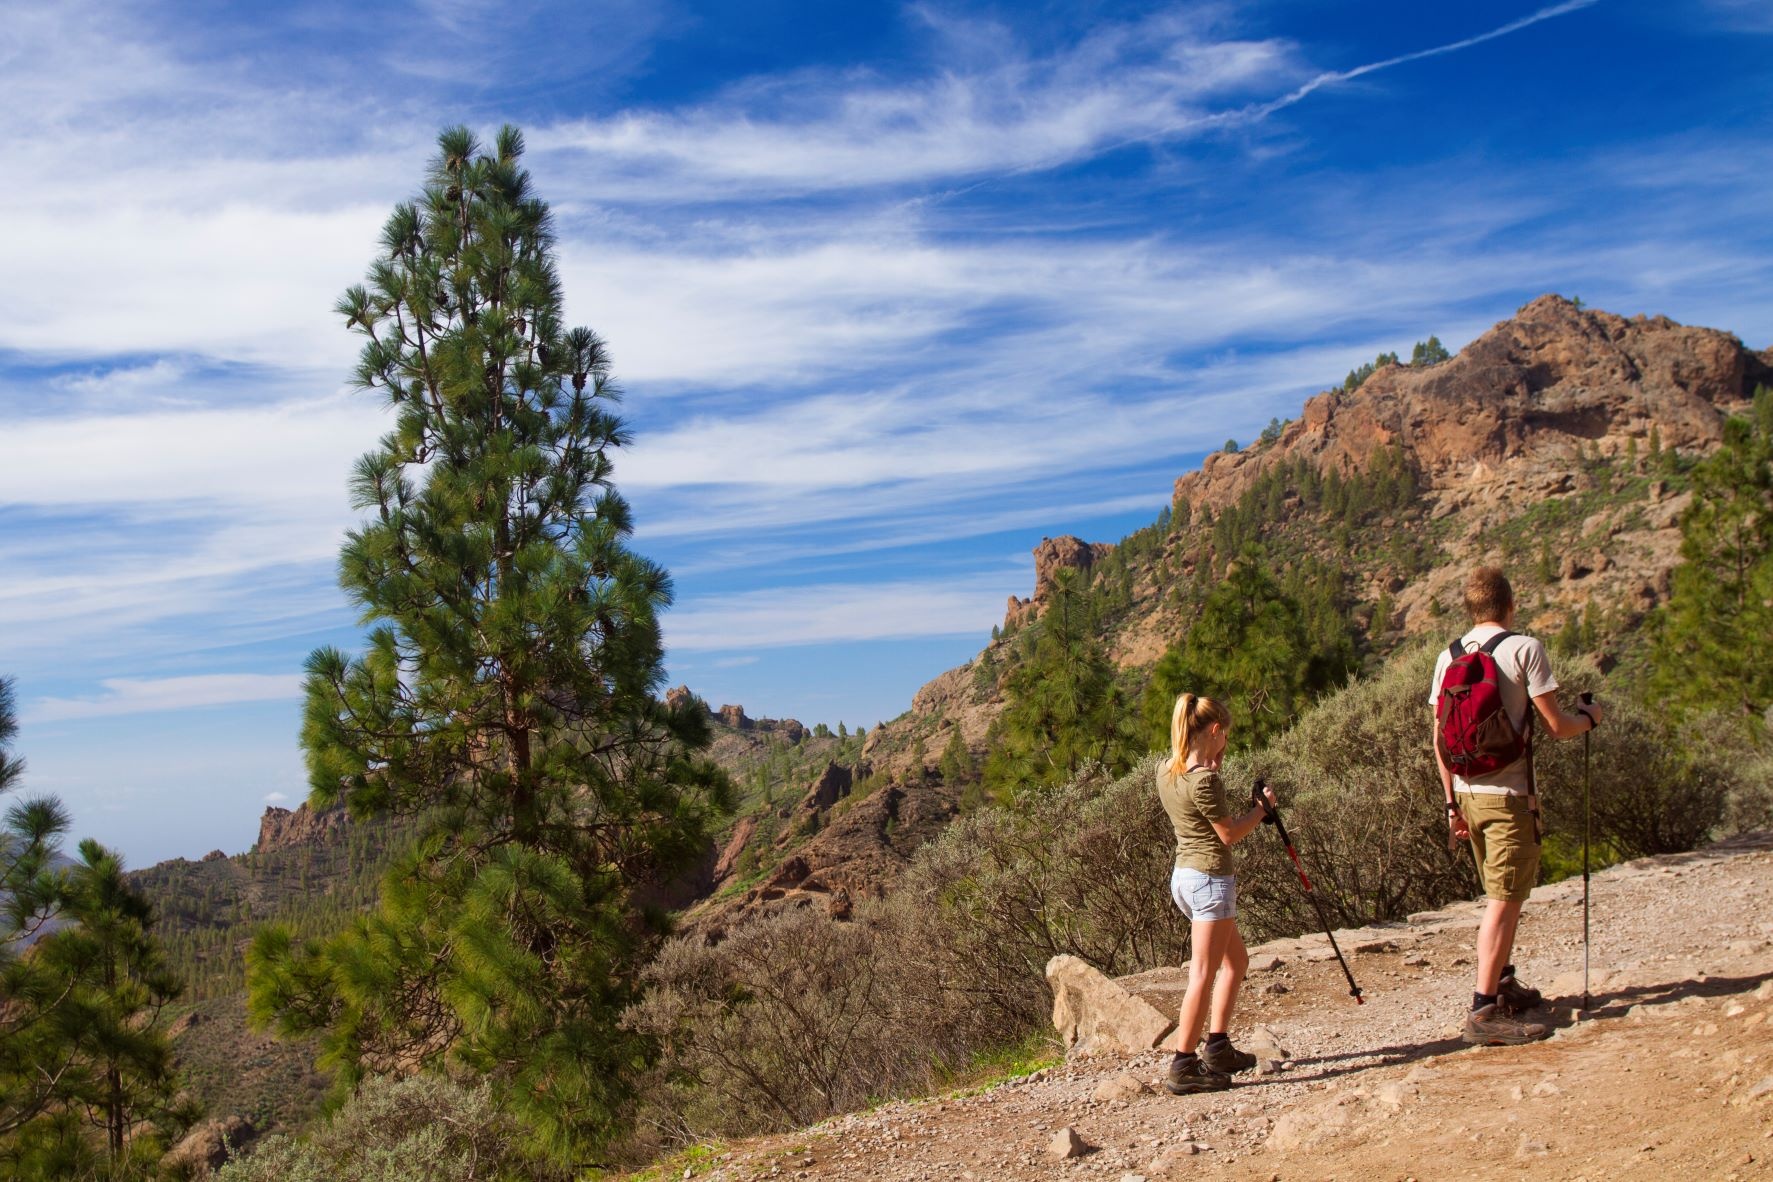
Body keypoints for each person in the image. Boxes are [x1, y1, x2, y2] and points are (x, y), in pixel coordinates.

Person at [1430, 567, 1602, 1045]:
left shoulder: (1448, 656)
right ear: (1510, 605)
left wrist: (1450, 806)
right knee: (1504, 903)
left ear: (1470, 608)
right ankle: (1484, 1010)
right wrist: (1590, 718)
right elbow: (1557, 726)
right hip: (1509, 800)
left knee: (1497, 895)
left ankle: (1503, 984)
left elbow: (1439, 741)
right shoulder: (1525, 648)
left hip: (1466, 795)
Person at [1156, 693, 1279, 1094]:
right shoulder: (1205, 780)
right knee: (1203, 974)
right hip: (1210, 881)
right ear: (1213, 730)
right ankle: (1183, 1063)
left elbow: (1197, 806)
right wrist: (1261, 811)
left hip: (1185, 878)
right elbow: (1227, 834)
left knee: (1236, 961)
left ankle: (1219, 1046)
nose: (1226, 742)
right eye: (1223, 735)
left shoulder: (1167, 771)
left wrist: (1214, 760)